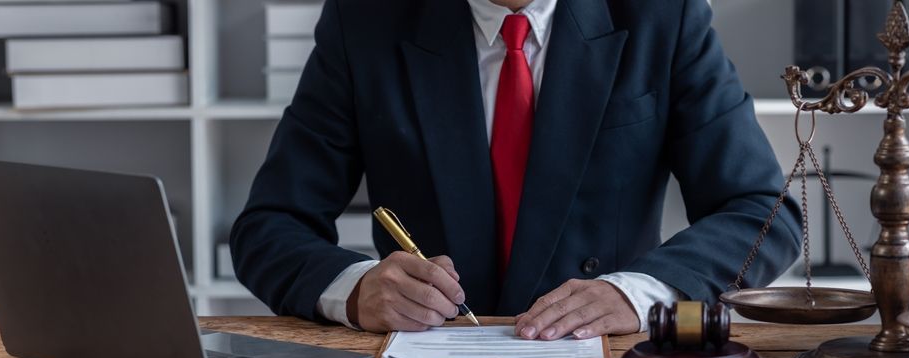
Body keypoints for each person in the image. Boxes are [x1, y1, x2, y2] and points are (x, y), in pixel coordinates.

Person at [231, 0, 802, 340]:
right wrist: (355, 290)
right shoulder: (367, 20)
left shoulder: (662, 14)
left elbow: (763, 212)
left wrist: (639, 293)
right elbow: (270, 226)